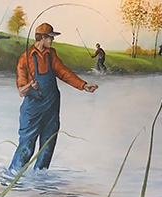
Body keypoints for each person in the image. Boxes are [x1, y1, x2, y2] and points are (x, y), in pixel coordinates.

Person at [8, 23, 98, 175]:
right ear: (42, 38)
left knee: (48, 145)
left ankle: (41, 182)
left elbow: (63, 72)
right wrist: (31, 86)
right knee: (27, 146)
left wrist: (83, 85)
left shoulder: (51, 55)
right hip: (32, 110)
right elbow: (22, 91)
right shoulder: (25, 59)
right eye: (50, 37)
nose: (52, 41)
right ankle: (13, 177)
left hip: (51, 108)